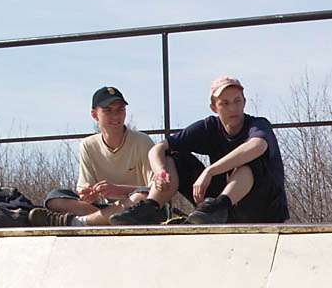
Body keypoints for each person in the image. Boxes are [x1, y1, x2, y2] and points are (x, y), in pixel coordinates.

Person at [111, 77, 289, 226]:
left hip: (263, 210)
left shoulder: (258, 125)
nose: (233, 108)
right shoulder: (209, 127)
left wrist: (209, 171)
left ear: (244, 102)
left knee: (250, 159)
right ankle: (151, 208)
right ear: (214, 107)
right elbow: (158, 148)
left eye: (237, 101)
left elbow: (257, 146)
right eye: (225, 103)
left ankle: (220, 206)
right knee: (174, 155)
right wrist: (160, 172)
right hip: (223, 212)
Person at [28, 86, 156, 227]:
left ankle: (80, 222)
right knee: (54, 198)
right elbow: (85, 192)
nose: (115, 116)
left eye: (120, 110)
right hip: (107, 208)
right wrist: (89, 195)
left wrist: (118, 190)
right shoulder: (87, 145)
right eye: (108, 110)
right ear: (94, 115)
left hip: (137, 207)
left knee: (141, 197)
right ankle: (106, 219)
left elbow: (155, 190)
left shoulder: (142, 141)